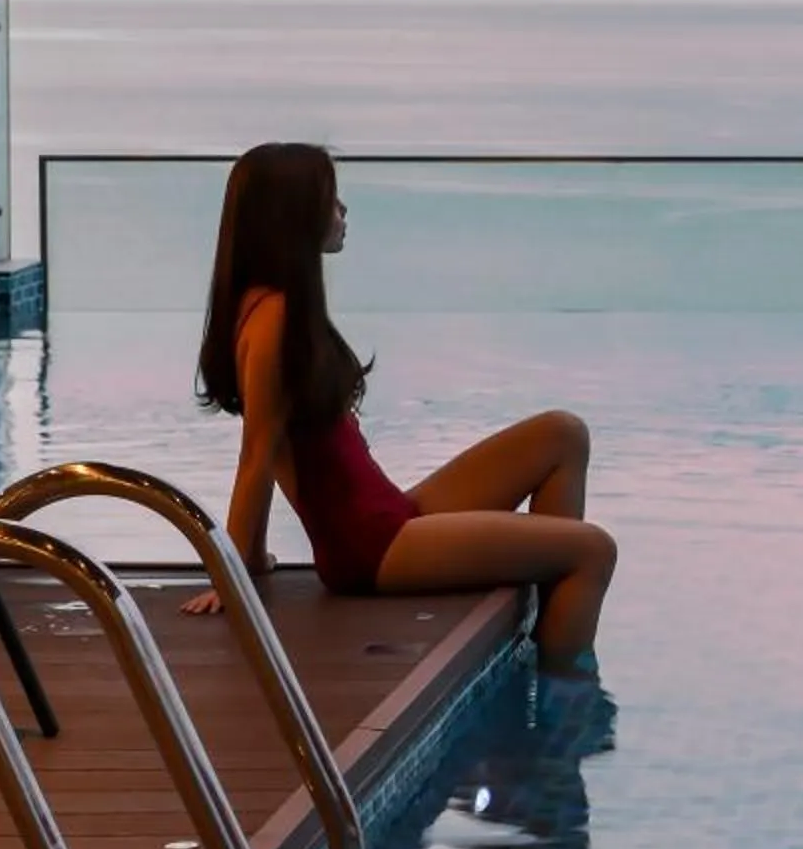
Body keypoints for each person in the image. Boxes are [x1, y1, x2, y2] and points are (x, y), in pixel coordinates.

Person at [181, 143, 618, 676]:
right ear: (293, 216)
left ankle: (545, 626)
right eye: (331, 200)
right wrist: (236, 576)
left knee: (562, 435)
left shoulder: (272, 306)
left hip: (387, 516)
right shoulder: (273, 318)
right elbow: (257, 457)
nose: (343, 212)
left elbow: (274, 455)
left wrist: (255, 557)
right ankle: (561, 703)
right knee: (593, 551)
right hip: (373, 550)